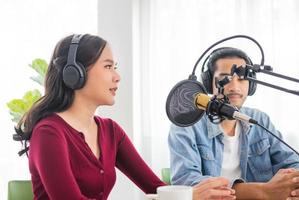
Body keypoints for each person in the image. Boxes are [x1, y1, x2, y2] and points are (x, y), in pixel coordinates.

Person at [14, 34, 236, 200]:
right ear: (75, 74)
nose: (117, 76)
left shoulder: (110, 131)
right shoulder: (49, 133)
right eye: (108, 66)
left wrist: (194, 194)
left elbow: (154, 187)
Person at [168, 47, 299, 199]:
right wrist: (263, 191)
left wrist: (293, 184)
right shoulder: (186, 125)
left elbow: (293, 164)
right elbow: (187, 183)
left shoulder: (260, 120)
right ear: (209, 82)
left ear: (251, 85)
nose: (234, 87)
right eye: (225, 78)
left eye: (242, 78)